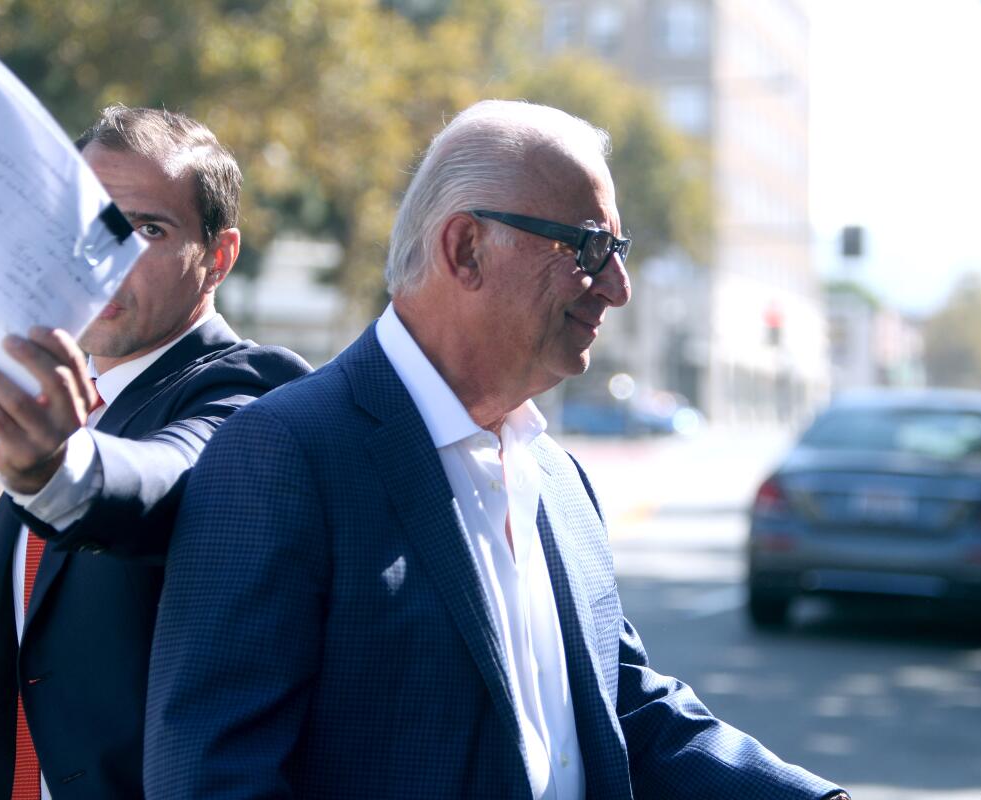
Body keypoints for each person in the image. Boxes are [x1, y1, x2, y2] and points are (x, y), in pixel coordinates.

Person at [143, 100, 848, 799]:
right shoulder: (282, 455)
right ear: (466, 250)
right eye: (589, 247)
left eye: (618, 252)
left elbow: (624, 710)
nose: (617, 287)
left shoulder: (556, 474)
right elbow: (213, 779)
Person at [0, 105, 310, 799]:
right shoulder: (71, 395)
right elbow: (42, 622)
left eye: (147, 229)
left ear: (219, 257)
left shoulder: (251, 389)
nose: (104, 258)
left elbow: (162, 483)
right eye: (87, 227)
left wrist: (60, 470)